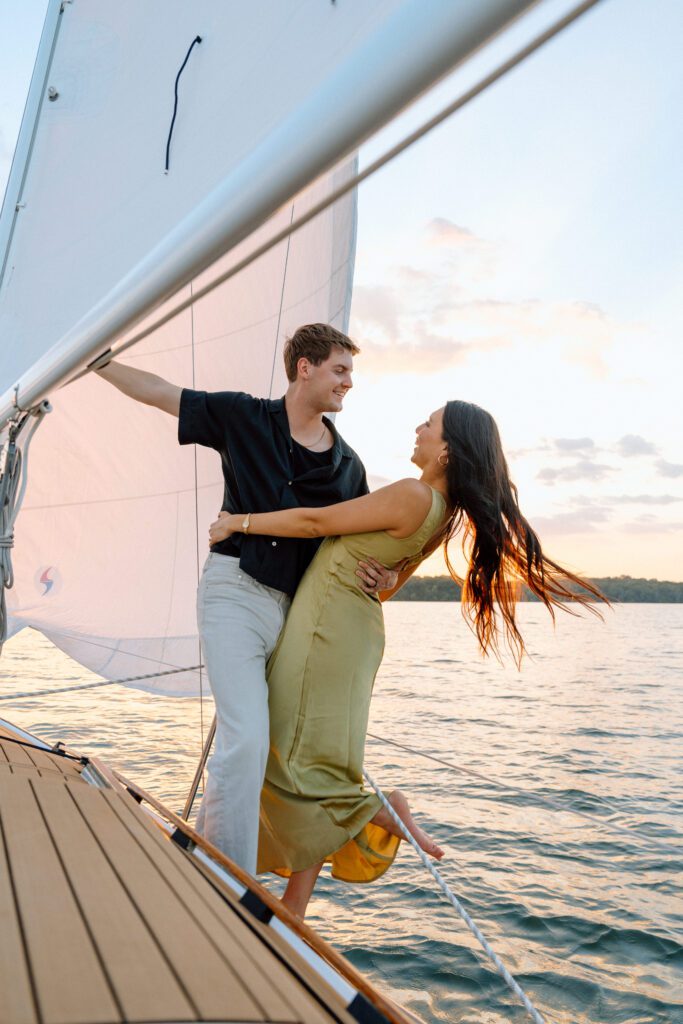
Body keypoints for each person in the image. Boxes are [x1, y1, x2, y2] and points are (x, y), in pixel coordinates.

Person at [210, 400, 607, 917]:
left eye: (430, 423)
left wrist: (237, 522)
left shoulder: (412, 493)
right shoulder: (441, 514)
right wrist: (391, 578)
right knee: (316, 755)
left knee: (289, 749)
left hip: (326, 631)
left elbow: (314, 522)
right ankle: (295, 906)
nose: (418, 429)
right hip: (350, 632)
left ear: (446, 450)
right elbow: (387, 586)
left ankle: (380, 815)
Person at [96, 323, 398, 874]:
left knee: (273, 750)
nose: (349, 383)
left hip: (299, 617)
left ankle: (229, 863)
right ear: (304, 368)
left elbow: (362, 548)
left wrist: (386, 580)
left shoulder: (349, 467)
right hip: (235, 593)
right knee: (247, 740)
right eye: (340, 369)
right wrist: (99, 363)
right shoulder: (243, 416)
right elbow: (163, 393)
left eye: (350, 373)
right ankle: (227, 878)